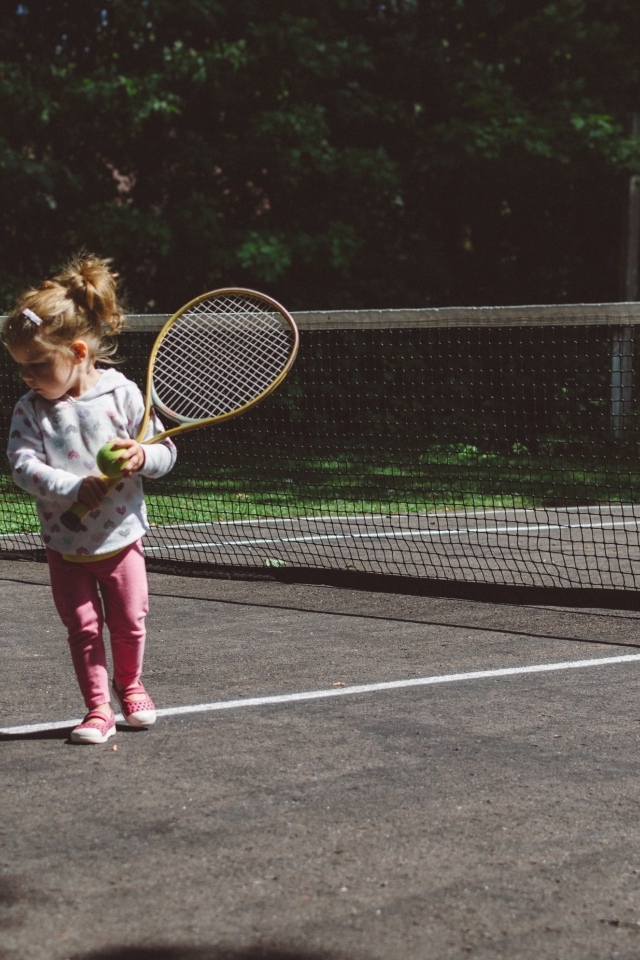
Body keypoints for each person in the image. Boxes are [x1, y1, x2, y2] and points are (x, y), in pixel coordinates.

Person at [3, 254, 176, 744]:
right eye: (21, 368)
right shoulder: (30, 409)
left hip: (121, 540)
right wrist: (74, 488)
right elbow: (22, 467)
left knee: (130, 622)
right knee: (83, 629)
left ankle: (131, 684)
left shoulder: (121, 395)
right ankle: (98, 708)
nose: (28, 377)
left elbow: (165, 451)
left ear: (77, 351)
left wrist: (143, 457)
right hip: (65, 546)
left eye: (37, 364)